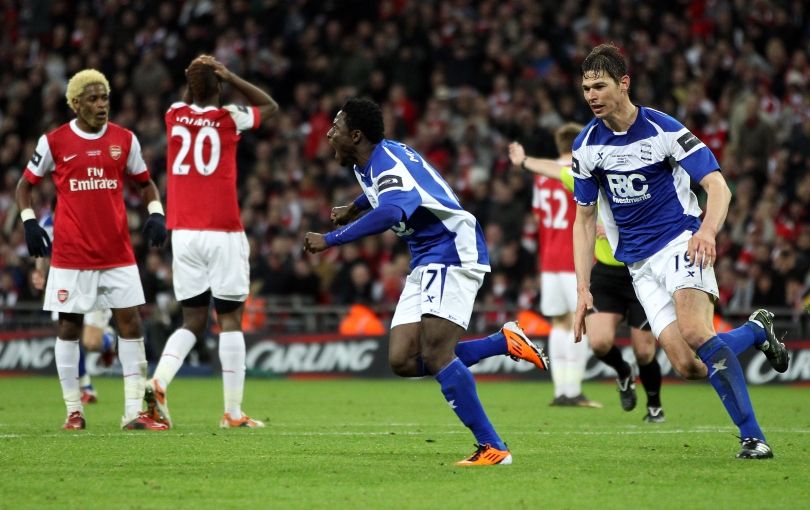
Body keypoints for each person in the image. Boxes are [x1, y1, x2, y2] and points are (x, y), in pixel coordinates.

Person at [571, 44, 790, 459]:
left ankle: (753, 437)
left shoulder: (664, 130)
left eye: (599, 86)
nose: (592, 96)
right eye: (585, 89)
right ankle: (757, 330)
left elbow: (718, 186)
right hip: (638, 264)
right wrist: (583, 288)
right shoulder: (586, 147)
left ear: (624, 83)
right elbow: (583, 221)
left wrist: (707, 231)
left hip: (680, 242)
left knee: (695, 331)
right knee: (690, 366)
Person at [304, 98, 549, 466]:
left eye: (335, 127)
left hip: (451, 249)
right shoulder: (369, 158)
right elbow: (385, 193)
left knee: (436, 354)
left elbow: (391, 209)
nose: (328, 133)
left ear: (355, 135)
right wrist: (354, 207)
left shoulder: (385, 164)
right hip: (425, 255)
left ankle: (493, 447)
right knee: (403, 359)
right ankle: (503, 342)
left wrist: (331, 239)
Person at [16, 68, 169, 431]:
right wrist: (28, 220)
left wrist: (156, 213)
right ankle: (74, 411)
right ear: (75, 104)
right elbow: (26, 185)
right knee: (69, 327)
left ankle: (134, 412)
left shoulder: (124, 140)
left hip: (117, 252)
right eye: (93, 99)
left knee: (130, 323)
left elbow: (146, 184)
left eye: (105, 99)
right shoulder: (53, 142)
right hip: (71, 254)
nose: (102, 106)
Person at [143, 55, 279, 429]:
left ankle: (158, 381)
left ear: (187, 86)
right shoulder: (229, 117)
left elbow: (191, 97)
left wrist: (200, 77)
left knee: (192, 319)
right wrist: (230, 75)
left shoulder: (173, 114)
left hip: (183, 232)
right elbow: (271, 107)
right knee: (231, 318)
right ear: (219, 87)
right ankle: (233, 413)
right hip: (222, 229)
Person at [512, 128, 665, 422]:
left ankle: (654, 406)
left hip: (640, 272)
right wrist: (524, 161)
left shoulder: (642, 179)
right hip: (605, 273)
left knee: (644, 350)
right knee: (599, 342)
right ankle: (620, 373)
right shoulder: (588, 176)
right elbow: (557, 170)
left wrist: (616, 228)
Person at [509, 124, 601, 409]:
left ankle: (561, 390)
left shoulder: (542, 177)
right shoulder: (581, 172)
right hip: (577, 258)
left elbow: (539, 219)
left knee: (558, 324)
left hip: (549, 260)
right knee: (579, 322)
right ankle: (573, 390)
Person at [32, 211, 118, 404]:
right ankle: (86, 387)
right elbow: (44, 251)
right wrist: (39, 271)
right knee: (68, 335)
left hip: (93, 281)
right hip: (65, 282)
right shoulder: (48, 222)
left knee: (91, 343)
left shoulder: (88, 215)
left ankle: (109, 341)